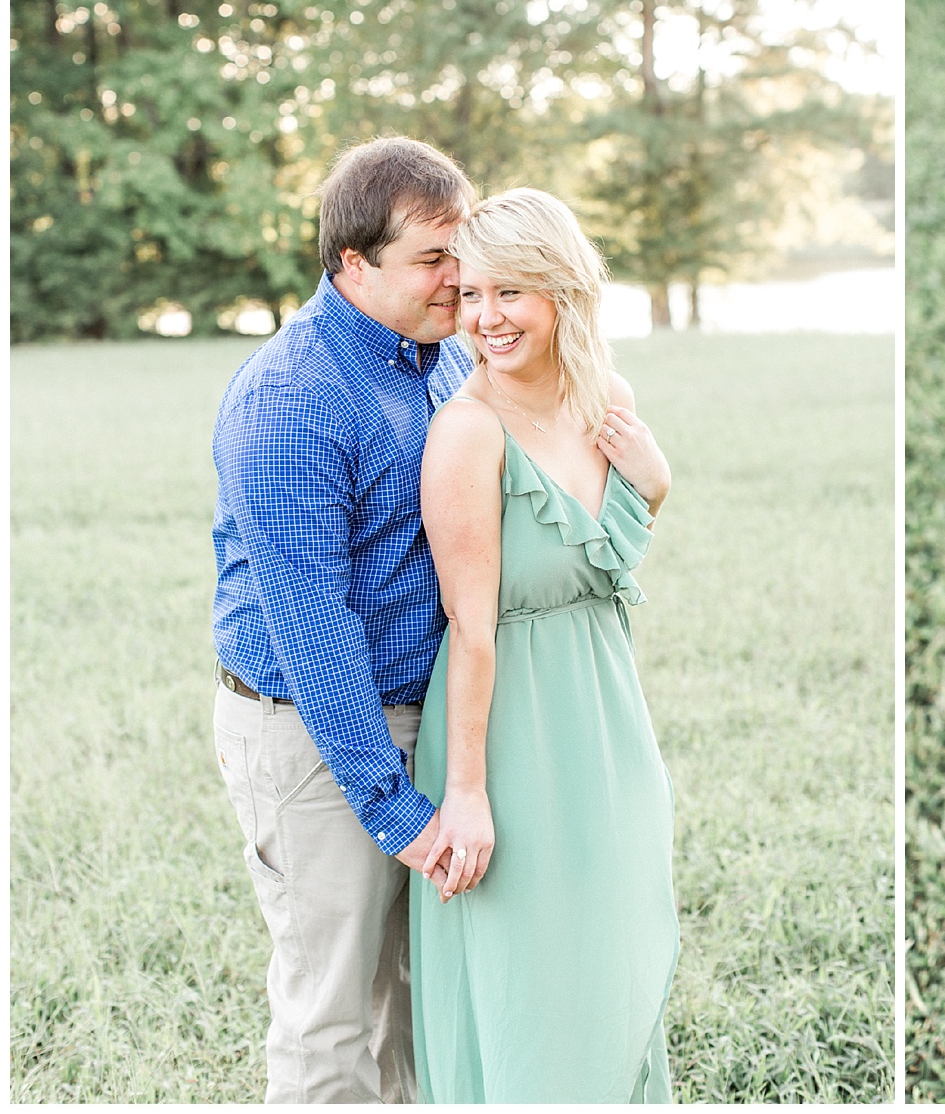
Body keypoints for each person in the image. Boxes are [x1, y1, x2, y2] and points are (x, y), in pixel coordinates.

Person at [211, 136, 476, 1102]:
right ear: (353, 264)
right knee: (332, 1012)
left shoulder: (437, 361)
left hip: (426, 715)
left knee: (416, 998)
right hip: (314, 732)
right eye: (434, 259)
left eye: (464, 250)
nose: (461, 277)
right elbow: (310, 628)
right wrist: (392, 805)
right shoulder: (294, 397)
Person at [408, 188, 679, 1103]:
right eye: (473, 295)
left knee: (616, 957)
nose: (485, 318)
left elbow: (601, 562)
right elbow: (472, 628)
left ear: (562, 291)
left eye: (510, 294)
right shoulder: (465, 432)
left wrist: (656, 483)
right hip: (508, 725)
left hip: (605, 717)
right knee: (530, 981)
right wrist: (469, 796)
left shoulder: (609, 398)